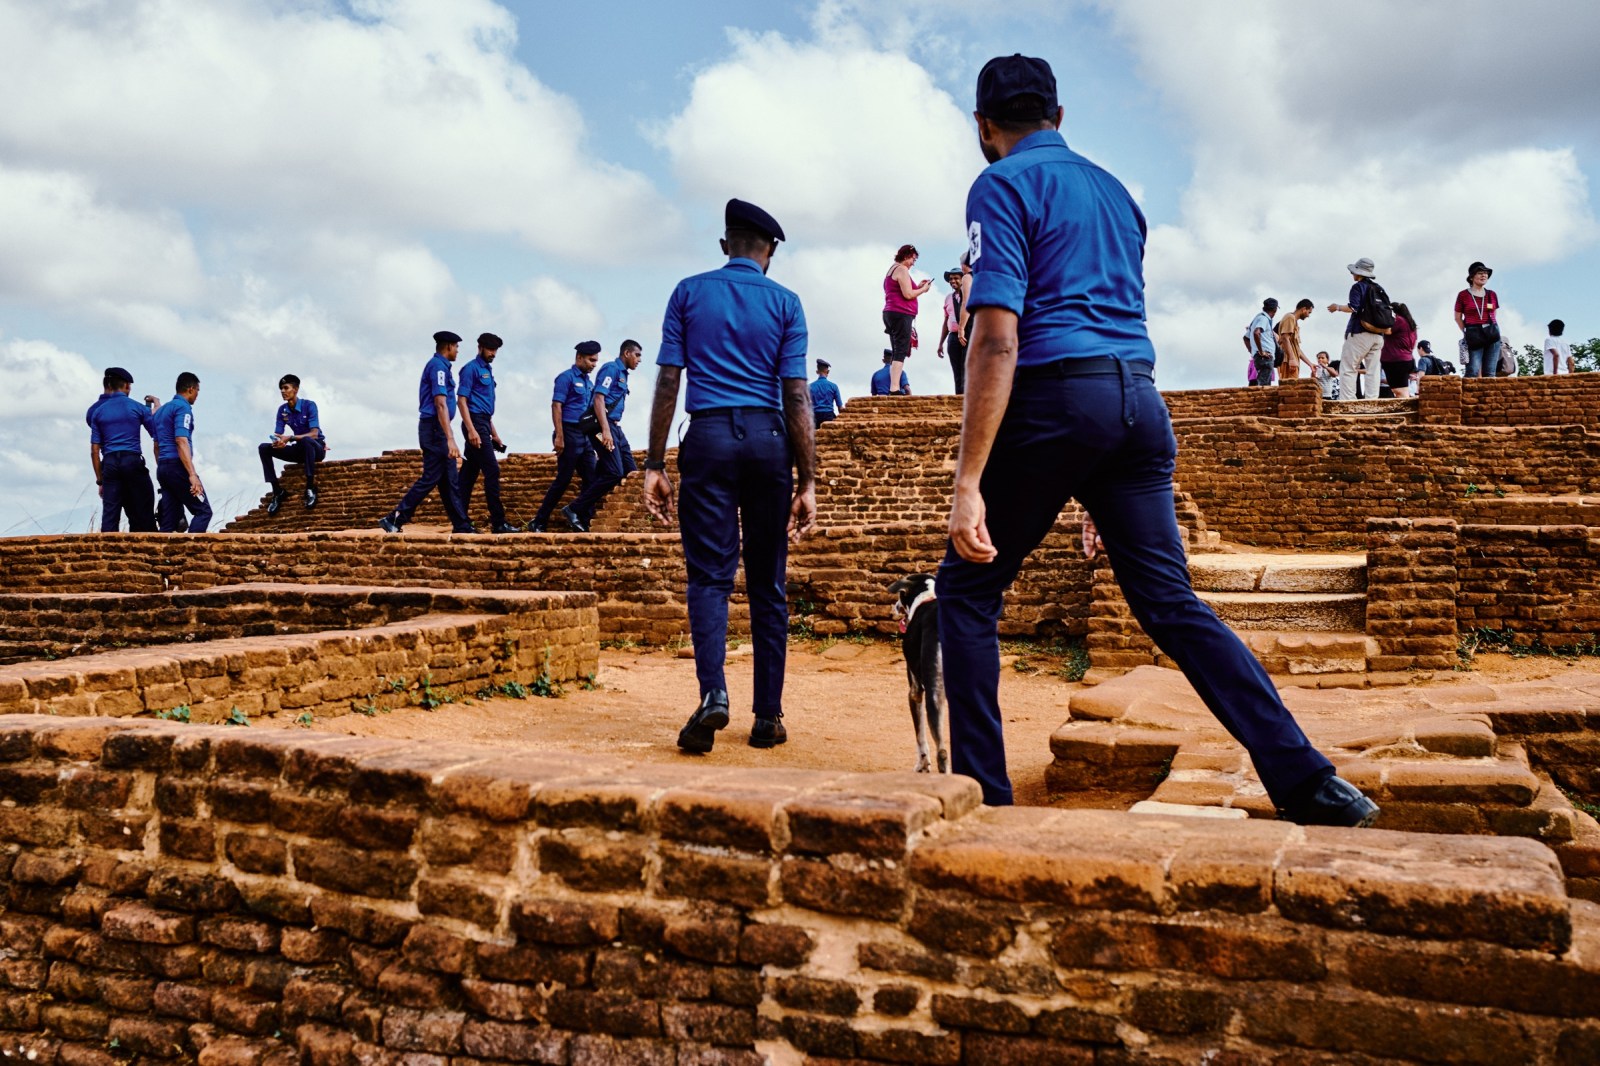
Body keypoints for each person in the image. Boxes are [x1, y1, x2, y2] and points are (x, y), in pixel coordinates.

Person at [939, 53, 1377, 828]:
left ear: (983, 127)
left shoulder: (999, 184)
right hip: (1137, 403)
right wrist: (1089, 478)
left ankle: (986, 803)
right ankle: (1307, 778)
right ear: (1060, 118)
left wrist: (970, 478)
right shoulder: (1117, 194)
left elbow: (996, 336)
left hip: (1055, 401)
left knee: (967, 594)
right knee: (1171, 603)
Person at [644, 198, 815, 755]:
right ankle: (767, 715)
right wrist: (807, 478)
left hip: (710, 438)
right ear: (769, 253)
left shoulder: (689, 292)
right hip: (769, 444)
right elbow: (796, 394)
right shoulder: (786, 302)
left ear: (725, 246)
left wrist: (652, 465)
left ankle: (714, 693)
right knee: (768, 583)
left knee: (710, 577)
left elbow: (669, 382)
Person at [379, 330, 476, 534]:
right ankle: (394, 518)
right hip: (435, 428)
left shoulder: (441, 367)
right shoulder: (438, 367)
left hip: (436, 428)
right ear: (449, 346)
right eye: (456, 346)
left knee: (450, 481)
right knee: (431, 477)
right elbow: (440, 403)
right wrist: (450, 438)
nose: (458, 350)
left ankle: (462, 525)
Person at [568, 339, 644, 529]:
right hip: (600, 426)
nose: (639, 360)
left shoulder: (624, 375)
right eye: (637, 355)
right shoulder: (611, 369)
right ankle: (574, 509)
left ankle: (587, 513)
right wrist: (606, 431)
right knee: (614, 472)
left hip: (615, 427)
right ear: (627, 353)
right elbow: (599, 399)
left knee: (631, 472)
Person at [528, 341, 601, 532]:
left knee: (592, 478)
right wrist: (559, 436)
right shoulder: (565, 378)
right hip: (568, 432)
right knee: (563, 480)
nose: (594, 364)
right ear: (579, 358)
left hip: (585, 435)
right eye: (591, 360)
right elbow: (556, 406)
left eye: (596, 361)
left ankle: (583, 519)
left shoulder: (589, 382)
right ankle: (539, 520)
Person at [455, 333, 518, 534]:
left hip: (483, 422)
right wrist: (472, 429)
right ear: (480, 347)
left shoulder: (488, 371)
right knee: (492, 471)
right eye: (490, 349)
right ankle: (498, 523)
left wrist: (495, 435)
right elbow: (462, 401)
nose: (493, 353)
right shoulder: (471, 369)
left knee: (468, 475)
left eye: (495, 350)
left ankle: (460, 522)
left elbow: (486, 409)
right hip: (474, 423)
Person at [87, 367, 159, 533]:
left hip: (110, 463)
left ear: (110, 386)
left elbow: (94, 451)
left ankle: (106, 552)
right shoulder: (137, 407)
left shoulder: (98, 412)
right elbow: (155, 432)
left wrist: (100, 480)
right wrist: (155, 409)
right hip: (131, 460)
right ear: (127, 386)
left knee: (110, 513)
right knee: (143, 503)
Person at [152, 372, 212, 533]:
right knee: (203, 511)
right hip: (177, 466)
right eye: (198, 391)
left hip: (163, 468)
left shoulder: (161, 411)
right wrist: (192, 474)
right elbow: (181, 440)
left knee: (168, 522)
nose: (198, 395)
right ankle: (190, 554)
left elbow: (156, 446)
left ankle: (163, 557)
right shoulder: (183, 408)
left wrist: (164, 469)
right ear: (191, 389)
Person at [260, 374, 325, 514]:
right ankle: (277, 491)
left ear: (295, 389)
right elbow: (278, 434)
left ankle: (310, 487)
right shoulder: (282, 410)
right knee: (264, 448)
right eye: (281, 389)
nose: (283, 391)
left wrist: (290, 438)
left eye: (286, 388)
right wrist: (278, 443)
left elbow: (314, 434)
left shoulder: (309, 405)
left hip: (316, 449)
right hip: (299, 450)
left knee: (307, 441)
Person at [1327, 257, 1384, 401]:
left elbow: (1353, 307)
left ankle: (1348, 401)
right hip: (1378, 335)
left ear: (1359, 273)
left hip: (1360, 332)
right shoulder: (1379, 288)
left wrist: (1337, 307)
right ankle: (1372, 400)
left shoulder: (1358, 287)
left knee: (1348, 367)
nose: (1352, 274)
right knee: (1373, 369)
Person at [883, 244, 931, 395]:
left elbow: (903, 290)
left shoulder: (892, 269)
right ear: (906, 256)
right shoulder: (902, 270)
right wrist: (923, 290)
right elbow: (908, 295)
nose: (913, 263)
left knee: (897, 349)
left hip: (891, 312)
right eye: (913, 259)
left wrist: (918, 285)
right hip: (901, 313)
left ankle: (894, 386)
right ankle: (895, 388)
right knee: (900, 351)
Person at [1454, 261, 1501, 379]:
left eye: (1485, 273)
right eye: (1480, 273)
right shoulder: (1463, 295)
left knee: (1490, 372)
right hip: (1473, 332)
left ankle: (1489, 397)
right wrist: (1465, 330)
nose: (1484, 276)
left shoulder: (1492, 294)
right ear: (1471, 277)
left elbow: (1494, 313)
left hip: (1491, 332)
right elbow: (1457, 317)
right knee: (1472, 371)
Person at [938, 265, 970, 393]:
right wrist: (940, 343)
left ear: (963, 279)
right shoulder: (948, 298)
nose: (953, 281)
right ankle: (958, 398)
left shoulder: (968, 295)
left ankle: (968, 399)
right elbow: (946, 321)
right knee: (957, 371)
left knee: (967, 369)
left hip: (967, 335)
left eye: (956, 278)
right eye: (951, 279)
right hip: (953, 337)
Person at [1380, 302, 1419, 398]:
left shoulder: (1400, 321)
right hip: (1405, 359)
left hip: (1396, 360)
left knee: (1400, 390)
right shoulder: (1410, 324)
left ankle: (1405, 411)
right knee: (1398, 390)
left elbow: (1388, 330)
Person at [1275, 299, 1316, 380]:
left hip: (1292, 360)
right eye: (1309, 312)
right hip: (1287, 360)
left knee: (1292, 388)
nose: (1308, 315)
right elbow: (1285, 338)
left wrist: (1310, 364)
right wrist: (1292, 359)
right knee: (1288, 388)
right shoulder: (1290, 317)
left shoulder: (1294, 321)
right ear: (1304, 309)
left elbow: (1297, 348)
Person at [1244, 298, 1279, 387]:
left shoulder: (1257, 318)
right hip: (1265, 357)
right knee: (1264, 386)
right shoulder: (1264, 319)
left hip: (1260, 357)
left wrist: (1253, 352)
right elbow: (1257, 332)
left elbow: (1246, 338)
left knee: (1262, 382)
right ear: (1275, 309)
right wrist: (1260, 351)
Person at [808, 358, 844, 428]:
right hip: (829, 417)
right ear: (828, 372)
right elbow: (840, 407)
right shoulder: (833, 386)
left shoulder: (809, 387)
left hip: (815, 418)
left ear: (817, 372)